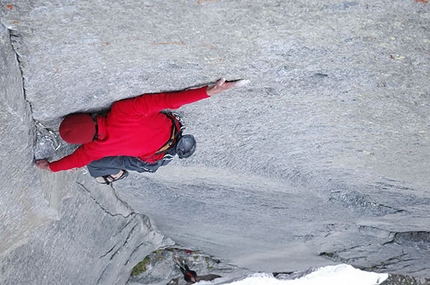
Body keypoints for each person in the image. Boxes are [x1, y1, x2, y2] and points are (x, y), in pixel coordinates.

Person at [35, 78, 248, 184]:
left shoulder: (94, 150)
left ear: (86, 141)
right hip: (172, 128)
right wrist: (208, 92)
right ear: (89, 114)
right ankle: (173, 144)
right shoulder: (123, 110)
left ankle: (118, 174)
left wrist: (50, 167)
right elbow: (168, 100)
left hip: (152, 158)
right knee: (95, 162)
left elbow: (75, 161)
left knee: (94, 167)